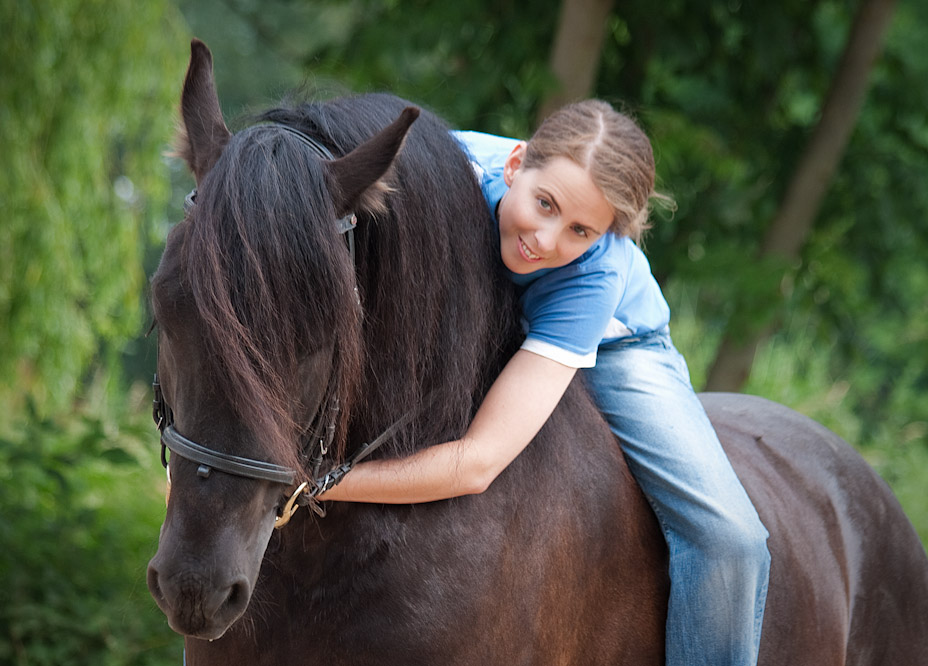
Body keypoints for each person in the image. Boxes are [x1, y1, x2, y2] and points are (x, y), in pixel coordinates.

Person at [319, 99, 771, 665]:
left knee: (733, 541)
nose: (547, 241)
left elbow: (477, 461)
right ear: (514, 166)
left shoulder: (592, 274)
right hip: (484, 309)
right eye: (544, 203)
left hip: (613, 346)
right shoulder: (443, 169)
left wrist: (318, 483)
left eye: (580, 229)